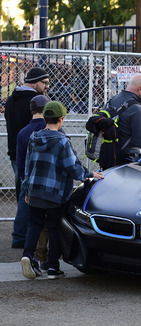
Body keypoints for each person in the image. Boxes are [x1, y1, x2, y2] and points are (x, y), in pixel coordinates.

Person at [20, 101, 103, 280]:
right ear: (61, 119)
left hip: (34, 190)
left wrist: (26, 190)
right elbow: (71, 166)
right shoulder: (62, 141)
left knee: (34, 224)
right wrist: (88, 175)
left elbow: (28, 166)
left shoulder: (34, 138)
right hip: (55, 193)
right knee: (53, 227)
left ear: (45, 117)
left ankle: (28, 256)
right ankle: (52, 267)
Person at [11, 95, 51, 251]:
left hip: (29, 176)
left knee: (24, 205)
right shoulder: (51, 128)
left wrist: (23, 177)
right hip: (47, 177)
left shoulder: (23, 132)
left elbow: (20, 160)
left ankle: (19, 237)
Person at [86, 74, 141, 169]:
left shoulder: (112, 100)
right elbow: (140, 143)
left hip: (106, 158)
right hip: (124, 164)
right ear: (140, 89)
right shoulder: (137, 109)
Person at [4, 67, 50, 201]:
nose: (47, 86)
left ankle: (22, 219)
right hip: (36, 152)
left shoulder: (11, 100)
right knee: (36, 191)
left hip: (15, 151)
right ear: (34, 83)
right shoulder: (38, 101)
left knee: (21, 188)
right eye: (45, 83)